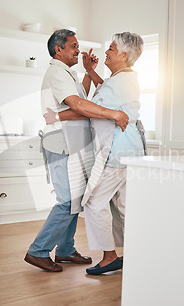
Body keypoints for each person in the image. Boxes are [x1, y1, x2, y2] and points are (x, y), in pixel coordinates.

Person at [24, 29, 130, 273]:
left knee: (77, 199)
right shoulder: (57, 73)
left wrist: (87, 73)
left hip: (73, 143)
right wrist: (113, 113)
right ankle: (37, 251)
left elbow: (79, 99)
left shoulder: (66, 73)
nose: (78, 50)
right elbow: (79, 105)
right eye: (73, 46)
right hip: (62, 143)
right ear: (58, 49)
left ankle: (65, 250)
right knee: (68, 200)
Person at [45, 32, 146, 275]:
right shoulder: (124, 78)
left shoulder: (118, 82)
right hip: (130, 151)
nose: (107, 51)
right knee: (122, 206)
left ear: (123, 54)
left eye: (111, 48)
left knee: (92, 202)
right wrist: (90, 71)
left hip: (115, 150)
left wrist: (56, 115)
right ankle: (140, 252)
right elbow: (105, 92)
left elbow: (86, 107)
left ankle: (109, 257)